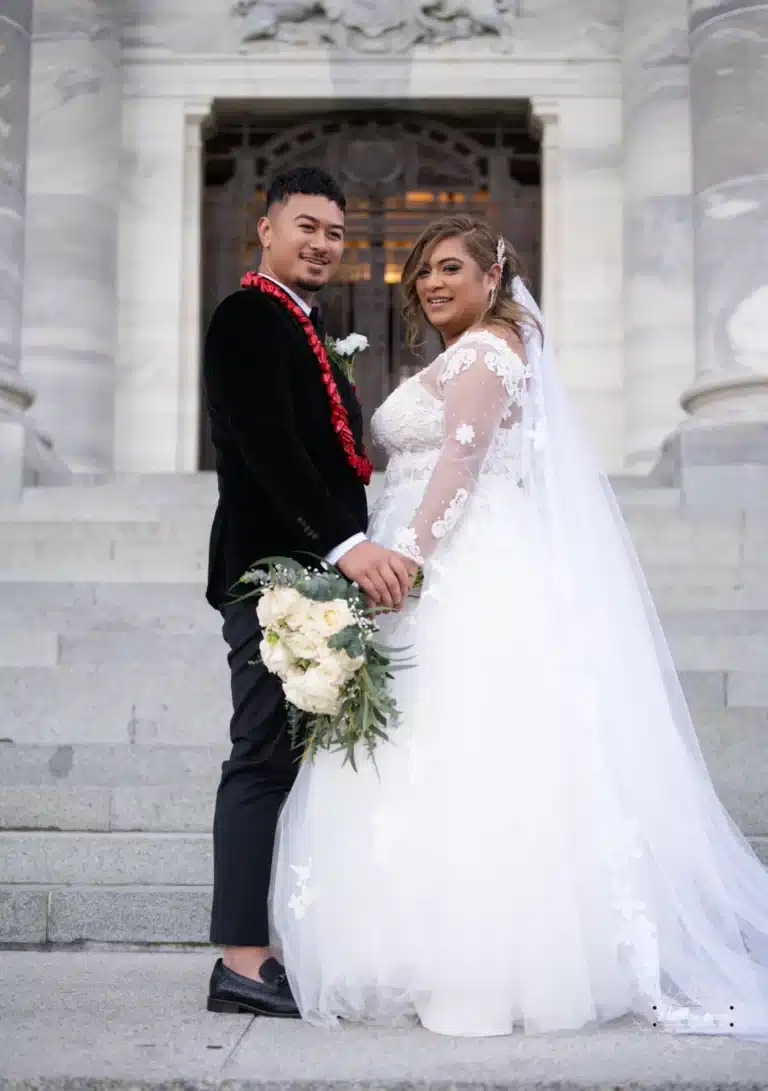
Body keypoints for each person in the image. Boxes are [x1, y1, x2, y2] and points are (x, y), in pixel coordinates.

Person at [271, 214, 768, 1039]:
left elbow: (460, 466)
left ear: (493, 274)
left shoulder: (489, 354)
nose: (433, 283)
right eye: (424, 271)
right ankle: (430, 951)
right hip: (432, 558)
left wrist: (408, 561)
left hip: (461, 566)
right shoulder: (470, 351)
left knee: (469, 753)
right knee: (419, 753)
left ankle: (484, 965)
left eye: (451, 268)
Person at [202, 166, 415, 1018]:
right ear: (266, 228)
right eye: (307, 226)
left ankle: (278, 940)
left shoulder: (300, 323)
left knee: (295, 763)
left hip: (309, 570)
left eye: (335, 231)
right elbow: (266, 445)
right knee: (259, 755)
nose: (323, 242)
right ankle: (242, 960)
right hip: (269, 571)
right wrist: (348, 545)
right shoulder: (248, 316)